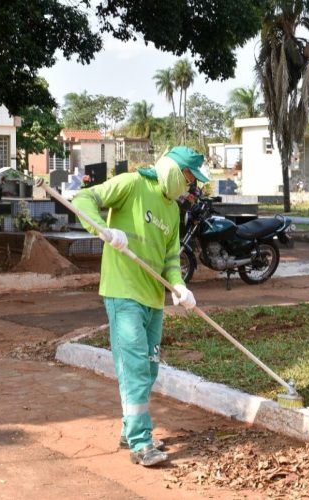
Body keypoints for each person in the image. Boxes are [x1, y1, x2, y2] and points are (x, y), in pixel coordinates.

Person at [72, 146, 208, 467]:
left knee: (148, 368)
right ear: (175, 170)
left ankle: (127, 429)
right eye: (189, 178)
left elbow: (171, 257)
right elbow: (83, 199)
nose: (190, 186)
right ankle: (141, 442)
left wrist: (178, 285)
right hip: (123, 292)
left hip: (152, 298)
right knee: (134, 365)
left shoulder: (173, 211)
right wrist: (104, 230)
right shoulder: (132, 184)